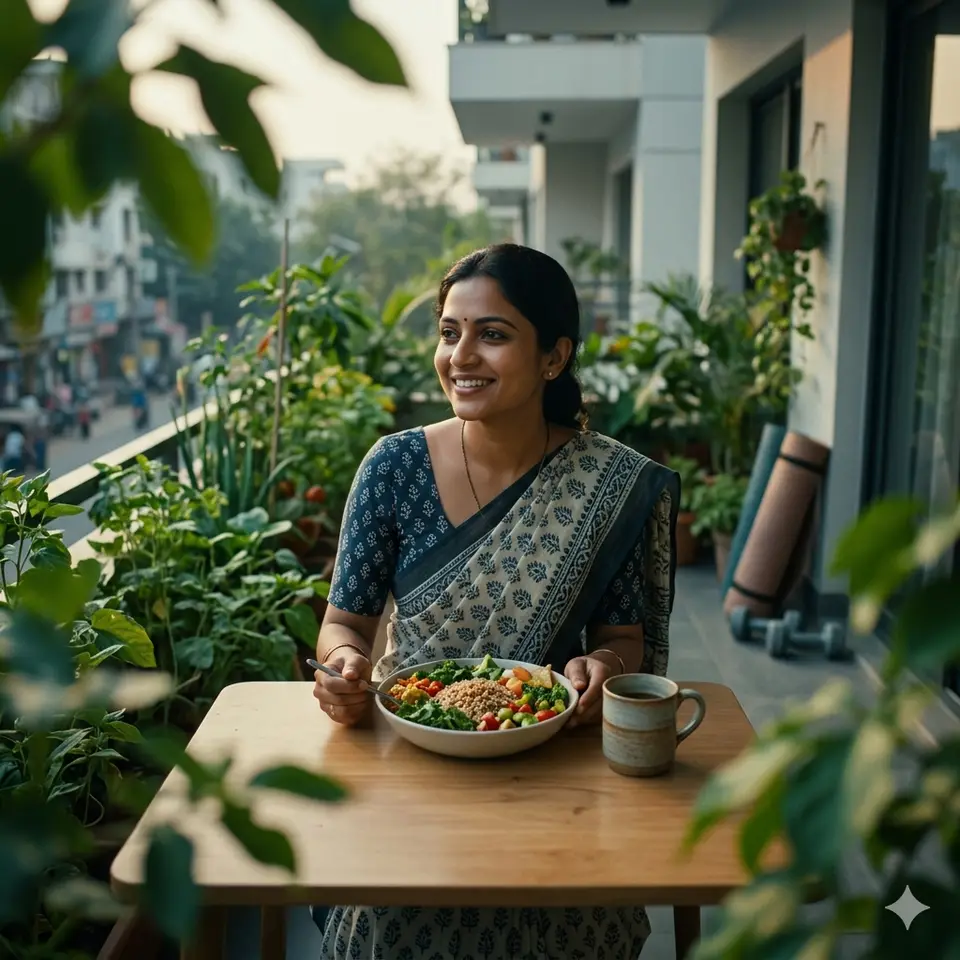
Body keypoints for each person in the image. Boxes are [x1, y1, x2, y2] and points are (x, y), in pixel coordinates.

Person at [311, 244, 680, 960]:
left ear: (554, 357)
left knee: (573, 926)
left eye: (494, 334)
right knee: (396, 923)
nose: (462, 355)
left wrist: (604, 664)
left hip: (552, 767)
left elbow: (625, 637)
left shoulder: (609, 484)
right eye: (450, 332)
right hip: (411, 757)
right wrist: (348, 668)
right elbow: (343, 624)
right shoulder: (394, 467)